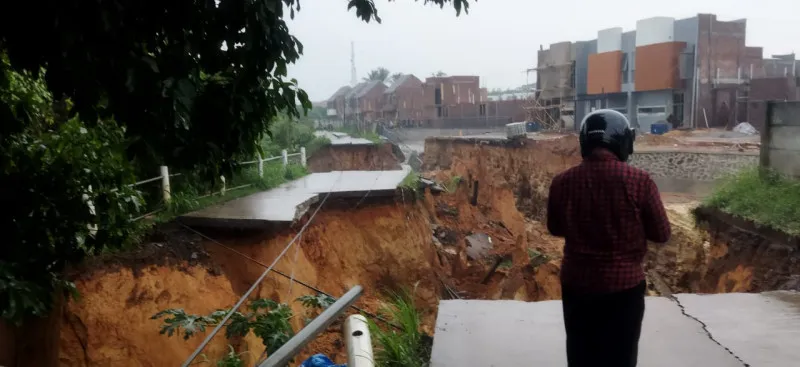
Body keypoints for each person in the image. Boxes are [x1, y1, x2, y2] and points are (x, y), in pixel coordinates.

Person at [546, 109, 671, 367]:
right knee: (621, 358)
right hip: (624, 290)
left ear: (585, 142)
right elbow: (662, 233)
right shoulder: (640, 181)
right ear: (622, 141)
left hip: (577, 286)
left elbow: (555, 228)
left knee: (581, 357)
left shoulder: (562, 182)